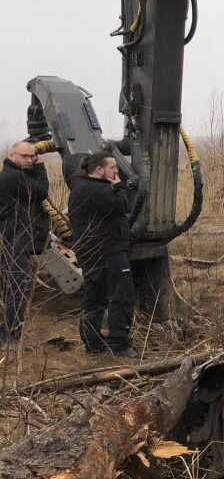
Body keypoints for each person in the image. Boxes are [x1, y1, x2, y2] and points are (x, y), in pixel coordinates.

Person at [68, 152, 138, 358]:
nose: (117, 171)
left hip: (92, 251)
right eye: (112, 167)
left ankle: (92, 342)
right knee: (122, 294)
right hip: (108, 250)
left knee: (95, 297)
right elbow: (121, 207)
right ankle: (119, 344)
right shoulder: (96, 189)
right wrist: (119, 187)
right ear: (99, 170)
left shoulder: (80, 186)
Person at [0, 140, 51, 349]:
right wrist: (40, 167)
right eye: (25, 156)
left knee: (11, 289)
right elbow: (41, 192)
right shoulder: (13, 178)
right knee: (19, 289)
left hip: (14, 241)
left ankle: (7, 333)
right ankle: (11, 337)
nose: (30, 160)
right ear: (12, 156)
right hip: (15, 242)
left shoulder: (15, 175)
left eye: (32, 156)